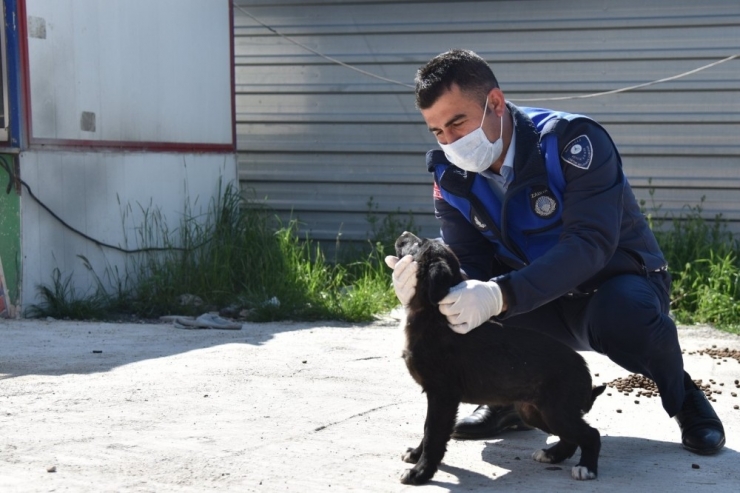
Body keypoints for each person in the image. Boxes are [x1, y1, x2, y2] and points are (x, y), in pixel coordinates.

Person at [385, 49, 725, 455]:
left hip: (612, 286)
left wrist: (500, 295)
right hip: (534, 299)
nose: (450, 142)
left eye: (457, 122)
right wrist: (427, 288)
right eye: (437, 132)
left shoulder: (571, 142)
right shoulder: (450, 176)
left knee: (627, 316)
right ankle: (511, 402)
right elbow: (469, 261)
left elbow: (590, 244)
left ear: (494, 102)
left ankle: (683, 396)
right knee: (464, 313)